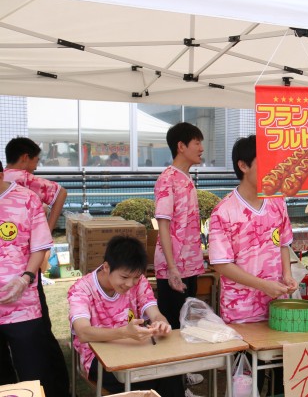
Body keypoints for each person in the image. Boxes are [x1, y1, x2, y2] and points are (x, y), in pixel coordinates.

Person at [209, 135, 297, 394]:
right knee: (247, 380)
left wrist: (288, 275)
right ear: (244, 166)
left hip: (277, 305)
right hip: (242, 313)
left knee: (285, 373)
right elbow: (222, 264)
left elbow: (283, 243)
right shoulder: (223, 211)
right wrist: (263, 285)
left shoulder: (277, 201)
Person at [68, 236, 184, 397]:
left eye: (136, 277)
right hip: (98, 359)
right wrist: (124, 332)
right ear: (106, 267)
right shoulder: (81, 289)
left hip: (136, 351)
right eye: (124, 277)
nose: (130, 284)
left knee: (170, 373)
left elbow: (155, 313)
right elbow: (83, 333)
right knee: (149, 380)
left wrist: (161, 324)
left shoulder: (139, 282)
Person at [2, 136, 70, 391]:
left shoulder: (22, 191)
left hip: (22, 290)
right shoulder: (25, 179)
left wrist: (42, 233)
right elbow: (60, 193)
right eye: (36, 160)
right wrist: (47, 228)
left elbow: (40, 244)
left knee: (31, 357)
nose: (36, 166)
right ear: (24, 158)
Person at [154, 122, 205, 330]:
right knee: (173, 326)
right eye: (197, 142)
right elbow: (163, 226)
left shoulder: (186, 177)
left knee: (188, 325)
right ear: (181, 146)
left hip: (189, 264)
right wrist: (172, 268)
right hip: (173, 268)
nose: (201, 148)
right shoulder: (168, 179)